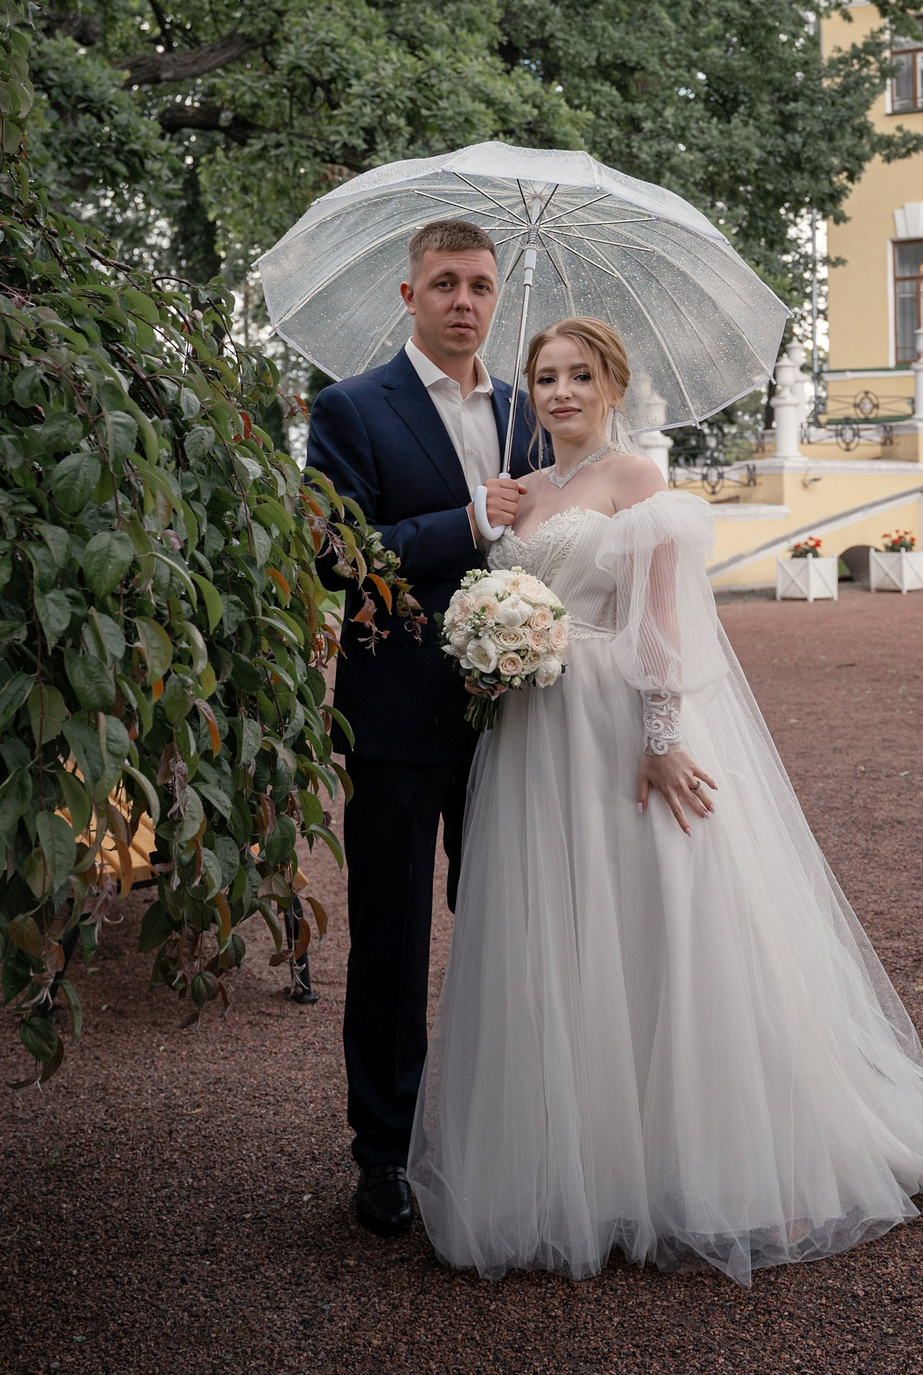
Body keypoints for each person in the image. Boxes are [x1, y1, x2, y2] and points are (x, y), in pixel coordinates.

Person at [408, 317, 923, 1283]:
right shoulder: (519, 493)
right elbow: (497, 595)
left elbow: (661, 623)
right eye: (544, 377)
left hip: (613, 727)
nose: (561, 392)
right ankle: (582, 1173)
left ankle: (717, 1173)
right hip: (533, 740)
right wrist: (492, 648)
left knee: (655, 924)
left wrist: (661, 743)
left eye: (579, 375)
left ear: (611, 383)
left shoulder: (639, 483)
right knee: (560, 933)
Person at [305, 218, 545, 1239]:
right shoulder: (350, 408)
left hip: (519, 724)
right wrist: (471, 522)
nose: (463, 301)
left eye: (480, 285)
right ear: (408, 297)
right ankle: (385, 1152)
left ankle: (510, 1135)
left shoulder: (536, 412)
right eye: (443, 283)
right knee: (393, 947)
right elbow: (335, 554)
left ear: (497, 299)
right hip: (395, 720)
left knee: (516, 933)